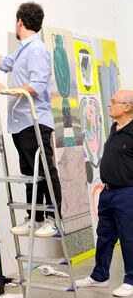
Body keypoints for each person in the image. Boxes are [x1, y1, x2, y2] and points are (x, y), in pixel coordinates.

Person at [0, 2, 61, 237]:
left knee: (45, 171)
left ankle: (54, 218)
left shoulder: (36, 50)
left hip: (34, 121)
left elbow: (37, 86)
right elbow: (3, 62)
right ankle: (35, 218)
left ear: (19, 22)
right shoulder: (24, 49)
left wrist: (5, 89)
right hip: (21, 123)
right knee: (30, 172)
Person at [76, 90, 133, 297]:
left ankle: (131, 279)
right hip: (108, 192)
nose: (109, 104)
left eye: (113, 101)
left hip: (127, 193)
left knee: (129, 237)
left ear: (126, 107)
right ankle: (100, 276)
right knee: (105, 235)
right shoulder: (115, 128)